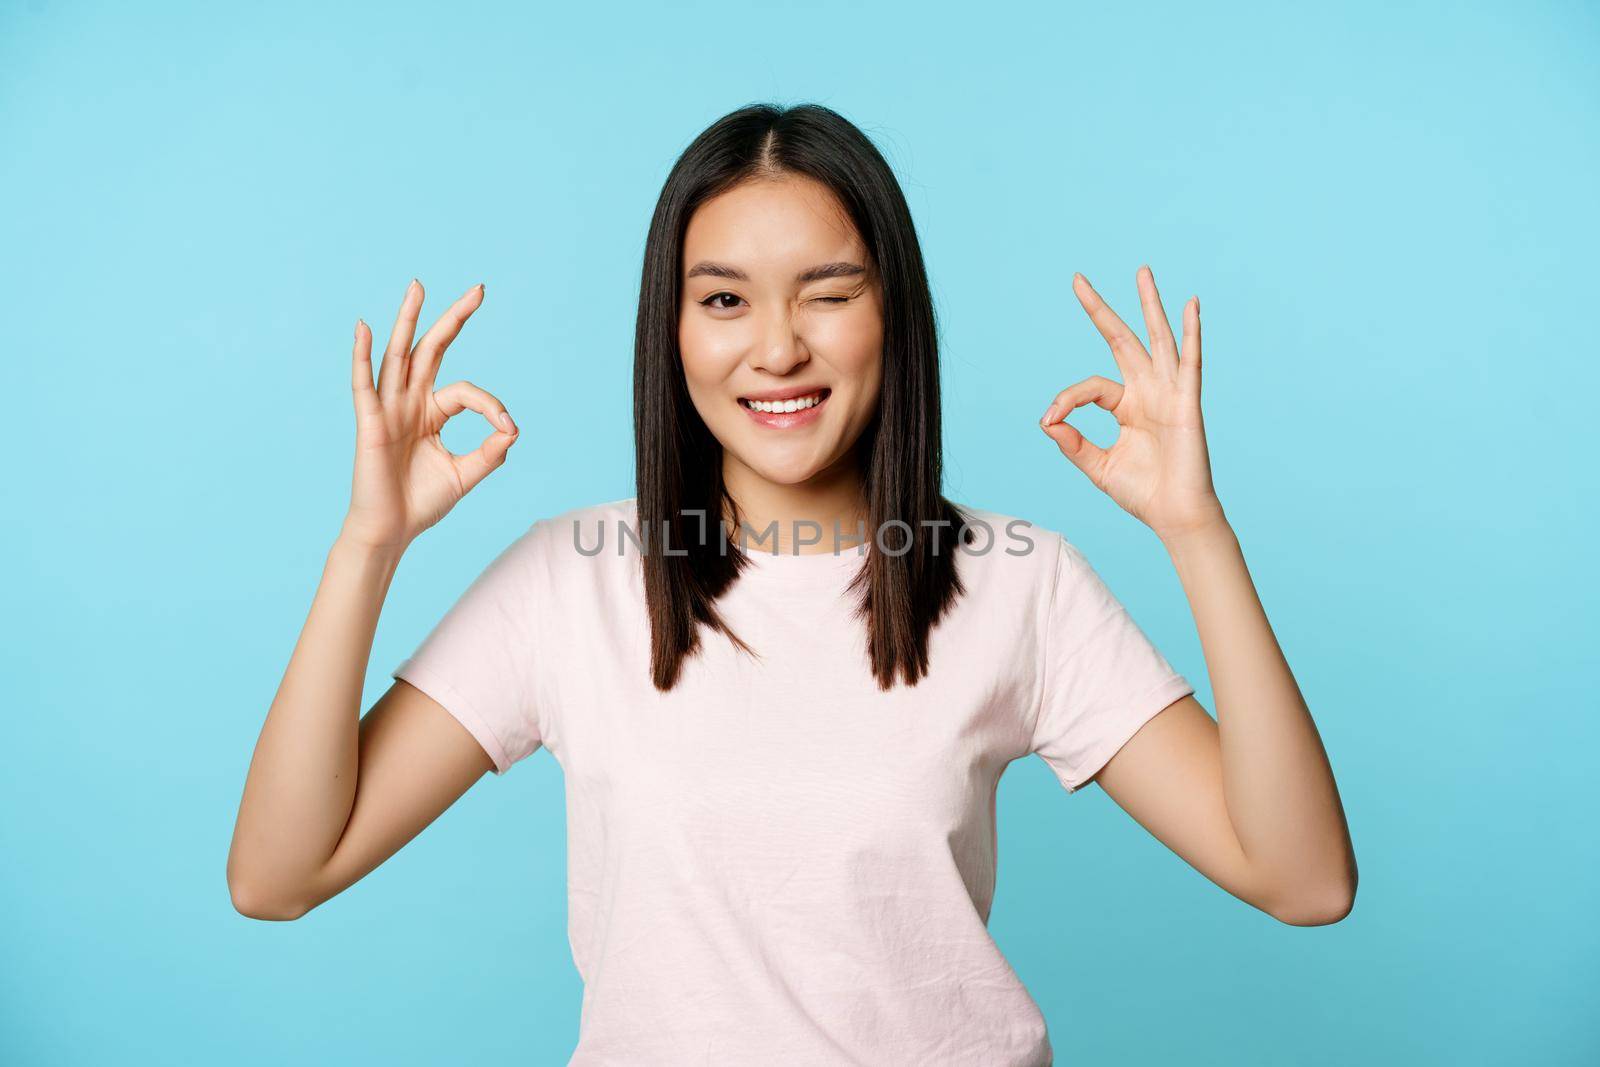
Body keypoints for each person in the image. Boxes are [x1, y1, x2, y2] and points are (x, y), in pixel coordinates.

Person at [226, 102, 1356, 1065]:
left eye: (826, 292)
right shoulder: (568, 583)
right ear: (670, 333)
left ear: (891, 312)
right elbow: (280, 873)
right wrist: (367, 544)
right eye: (723, 299)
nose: (776, 348)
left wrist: (1194, 530)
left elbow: (1302, 878)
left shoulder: (1018, 582)